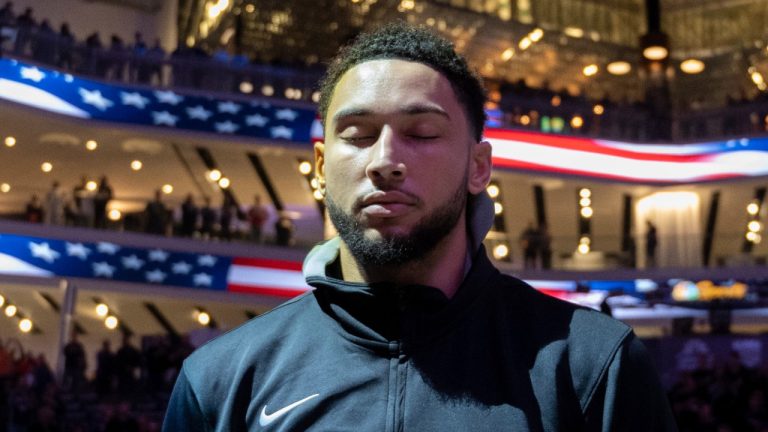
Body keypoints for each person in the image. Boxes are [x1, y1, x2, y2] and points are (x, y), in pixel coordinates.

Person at [164, 23, 676, 431]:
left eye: (422, 132)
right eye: (358, 134)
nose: (385, 160)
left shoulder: (593, 367)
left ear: (479, 167)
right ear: (321, 167)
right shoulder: (220, 381)